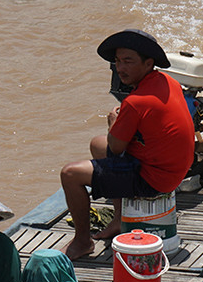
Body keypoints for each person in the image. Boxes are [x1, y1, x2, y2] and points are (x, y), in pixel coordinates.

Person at [60, 29, 195, 260]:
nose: (121, 69)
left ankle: (82, 241)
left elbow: (116, 149)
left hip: (154, 179)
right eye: (118, 62)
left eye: (129, 62)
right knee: (96, 145)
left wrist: (113, 123)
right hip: (176, 169)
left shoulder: (134, 102)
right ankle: (118, 219)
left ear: (148, 63)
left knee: (70, 173)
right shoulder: (168, 81)